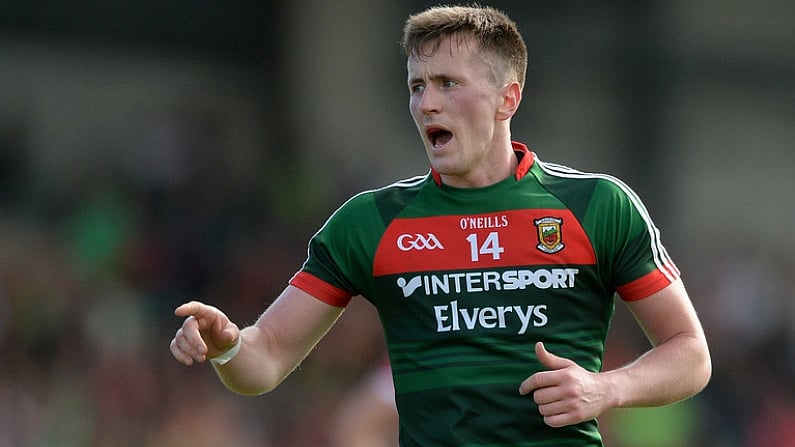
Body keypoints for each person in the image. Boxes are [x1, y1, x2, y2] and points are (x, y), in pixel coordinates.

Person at [170, 5, 711, 446]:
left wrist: (606, 389)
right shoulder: (371, 221)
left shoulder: (598, 206)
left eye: (449, 83)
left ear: (508, 98)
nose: (427, 103)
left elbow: (690, 352)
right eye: (417, 86)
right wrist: (227, 345)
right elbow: (265, 360)